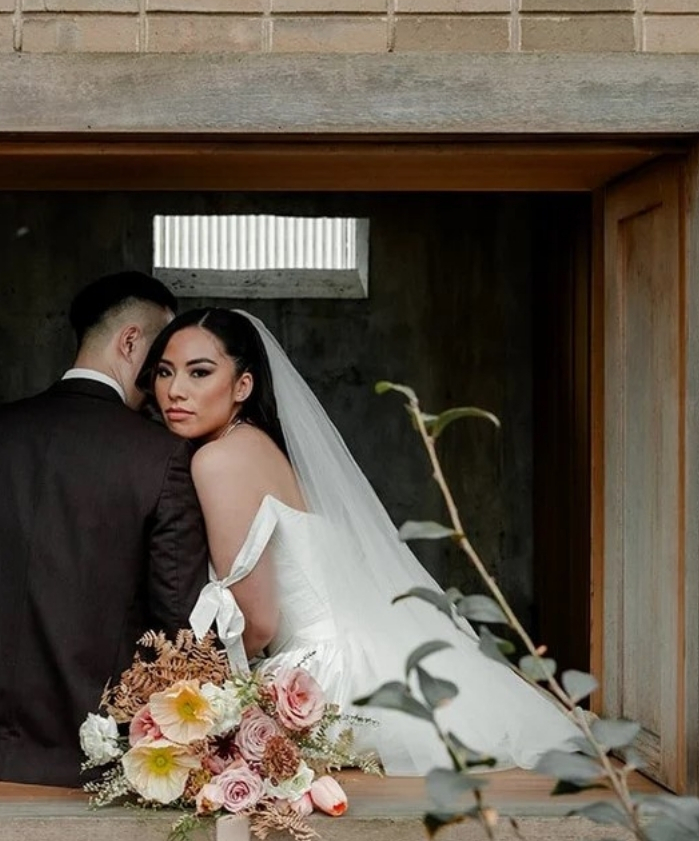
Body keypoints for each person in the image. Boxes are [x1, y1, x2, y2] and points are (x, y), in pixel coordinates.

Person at [141, 306, 580, 775]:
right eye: (165, 372)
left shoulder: (218, 461)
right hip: (371, 652)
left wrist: (213, 693)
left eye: (200, 372)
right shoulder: (260, 445)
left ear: (243, 386)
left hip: (326, 676)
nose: (175, 391)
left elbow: (261, 623)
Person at [0, 273, 210, 786]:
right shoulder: (163, 457)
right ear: (130, 342)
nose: (164, 385)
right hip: (84, 755)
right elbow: (177, 621)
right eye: (160, 362)